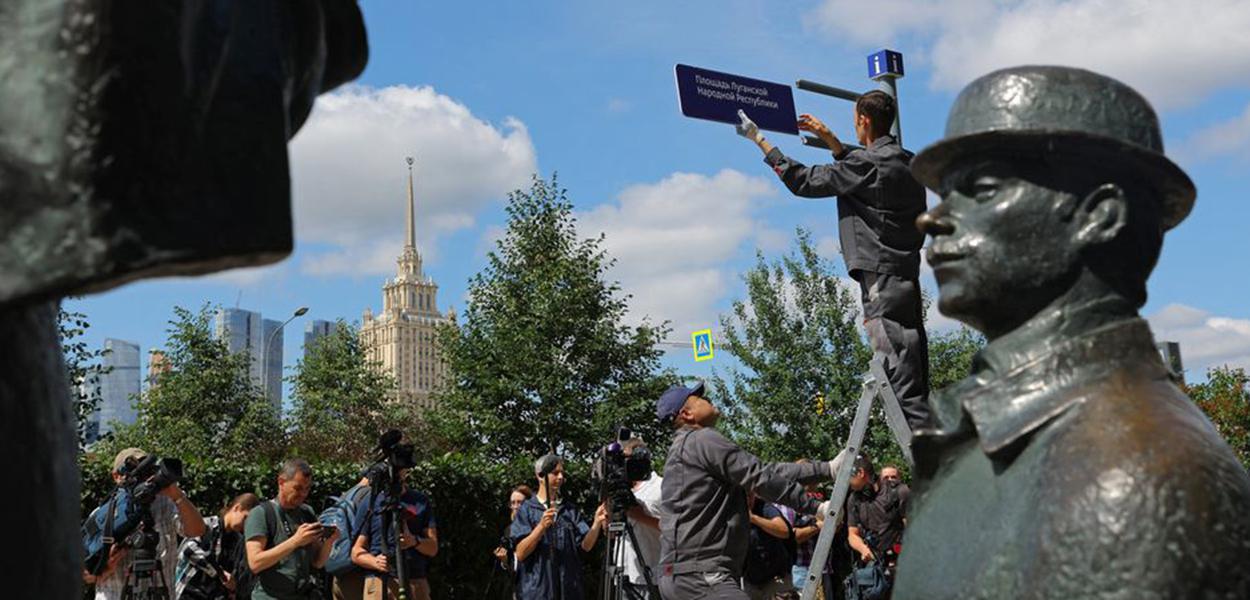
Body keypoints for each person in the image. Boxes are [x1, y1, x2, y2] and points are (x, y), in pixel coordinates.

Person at [894, 65, 1250, 598]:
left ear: (1099, 216)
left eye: (982, 188)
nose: (932, 218)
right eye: (945, 193)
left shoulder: (1132, 479)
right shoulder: (997, 433)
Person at [737, 93, 931, 431]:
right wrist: (833, 142)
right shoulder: (909, 163)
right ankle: (939, 449)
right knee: (913, 369)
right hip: (906, 277)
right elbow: (869, 176)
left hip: (879, 278)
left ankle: (929, 464)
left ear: (863, 121)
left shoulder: (864, 166)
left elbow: (803, 181)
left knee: (897, 379)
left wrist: (760, 140)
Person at [656, 382, 845, 600]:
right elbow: (759, 477)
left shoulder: (686, 449)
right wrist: (816, 507)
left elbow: (768, 471)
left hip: (682, 575)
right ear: (687, 414)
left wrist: (827, 469)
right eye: (700, 398)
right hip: (702, 576)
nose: (708, 399)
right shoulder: (702, 439)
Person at [88, 448, 208, 600]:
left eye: (146, 469)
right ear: (117, 476)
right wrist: (104, 568)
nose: (143, 477)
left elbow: (197, 530)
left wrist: (176, 495)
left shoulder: (167, 502)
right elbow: (83, 575)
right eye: (135, 470)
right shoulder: (102, 515)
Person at [510, 454, 608, 600]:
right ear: (540, 476)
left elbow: (585, 546)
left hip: (568, 590)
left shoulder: (569, 510)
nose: (561, 477)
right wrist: (541, 527)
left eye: (562, 472)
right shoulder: (527, 509)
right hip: (538, 592)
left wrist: (597, 522)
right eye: (555, 473)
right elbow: (520, 553)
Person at [245, 458, 339, 600]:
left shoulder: (307, 512)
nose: (303, 494)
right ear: (281, 482)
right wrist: (295, 541)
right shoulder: (261, 513)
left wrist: (330, 541)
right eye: (298, 488)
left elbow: (317, 562)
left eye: (307, 488)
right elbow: (255, 563)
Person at [350, 468, 438, 600]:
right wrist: (375, 562)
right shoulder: (370, 502)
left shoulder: (420, 501)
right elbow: (356, 552)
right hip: (379, 582)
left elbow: (433, 548)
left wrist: (414, 541)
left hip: (415, 582)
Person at [175, 493, 261, 599]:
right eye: (245, 518)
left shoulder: (238, 540)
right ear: (237, 508)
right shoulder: (206, 525)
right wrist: (220, 573)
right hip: (189, 592)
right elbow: (189, 550)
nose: (246, 524)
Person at [844, 453, 905, 591]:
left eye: (849, 477)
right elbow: (852, 534)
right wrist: (863, 549)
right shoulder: (854, 499)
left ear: (861, 473)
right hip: (873, 566)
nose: (848, 482)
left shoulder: (899, 492)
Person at [619, 438, 664, 599]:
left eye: (626, 460)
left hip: (651, 574)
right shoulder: (621, 489)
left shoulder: (661, 487)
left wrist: (640, 517)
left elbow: (674, 528)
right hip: (623, 572)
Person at [742, 492, 797, 600]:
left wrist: (753, 518)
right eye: (744, 496)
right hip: (750, 579)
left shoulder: (765, 507)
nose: (748, 500)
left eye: (750, 496)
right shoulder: (731, 509)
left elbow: (784, 530)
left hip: (776, 578)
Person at [491, 485, 533, 599]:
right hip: (517, 589)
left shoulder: (537, 528)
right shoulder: (508, 531)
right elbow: (510, 566)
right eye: (512, 503)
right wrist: (504, 560)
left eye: (520, 502)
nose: (515, 506)